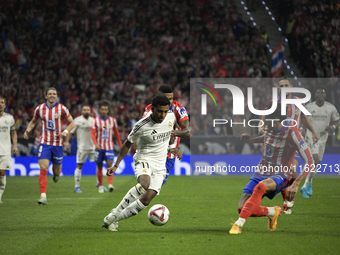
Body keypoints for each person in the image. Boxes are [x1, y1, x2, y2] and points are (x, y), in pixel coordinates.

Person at [229, 104, 314, 234]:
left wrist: (296, 184)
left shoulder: (292, 132)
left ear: (275, 119)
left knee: (261, 187)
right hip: (260, 172)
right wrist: (251, 140)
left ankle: (238, 224)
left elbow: (310, 160)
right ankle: (272, 212)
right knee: (243, 208)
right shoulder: (269, 128)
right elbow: (267, 138)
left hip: (281, 175)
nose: (263, 121)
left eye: (265, 118)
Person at [102, 95, 182, 231]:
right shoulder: (141, 125)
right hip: (144, 158)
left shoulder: (171, 117)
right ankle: (116, 211)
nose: (162, 115)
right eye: (159, 111)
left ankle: (113, 220)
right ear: (153, 109)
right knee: (144, 184)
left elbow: (168, 135)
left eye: (165, 111)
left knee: (146, 200)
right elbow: (127, 144)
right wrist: (116, 165)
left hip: (160, 165)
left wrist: (171, 148)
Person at [258, 76, 319, 214]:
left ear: (291, 87)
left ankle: (288, 199)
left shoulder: (299, 102)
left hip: (294, 141)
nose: (284, 88)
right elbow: (264, 116)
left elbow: (303, 118)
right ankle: (287, 199)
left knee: (292, 169)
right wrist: (260, 126)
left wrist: (313, 132)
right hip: (279, 142)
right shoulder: (274, 102)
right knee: (284, 172)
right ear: (278, 88)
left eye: (286, 85)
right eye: (281, 86)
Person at [24, 87, 75, 205]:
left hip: (58, 145)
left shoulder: (62, 108)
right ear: (46, 96)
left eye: (54, 94)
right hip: (45, 143)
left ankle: (56, 175)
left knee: (56, 173)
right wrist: (27, 130)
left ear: (56, 96)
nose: (52, 95)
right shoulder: (40, 109)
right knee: (43, 168)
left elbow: (72, 123)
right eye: (50, 94)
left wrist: (65, 132)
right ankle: (43, 196)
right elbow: (33, 121)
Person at [143, 84, 189, 184]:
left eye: (171, 98)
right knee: (147, 184)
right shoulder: (150, 108)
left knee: (156, 185)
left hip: (169, 154)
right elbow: (143, 126)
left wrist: (173, 133)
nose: (169, 101)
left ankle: (135, 199)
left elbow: (187, 132)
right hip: (153, 152)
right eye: (165, 98)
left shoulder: (178, 108)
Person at [301, 87, 340, 198]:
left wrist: (333, 126)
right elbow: (302, 118)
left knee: (316, 163)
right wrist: (303, 128)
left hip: (323, 137)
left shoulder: (330, 108)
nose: (320, 95)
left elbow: (338, 119)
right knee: (315, 159)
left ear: (325, 95)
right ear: (315, 95)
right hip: (311, 136)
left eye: (322, 93)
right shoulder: (309, 107)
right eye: (318, 93)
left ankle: (306, 184)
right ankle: (307, 184)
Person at [91, 102, 122, 193]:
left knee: (109, 165)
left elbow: (116, 133)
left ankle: (110, 184)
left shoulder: (112, 120)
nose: (104, 111)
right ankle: (100, 186)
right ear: (100, 110)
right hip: (99, 148)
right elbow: (92, 134)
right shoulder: (96, 121)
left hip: (109, 147)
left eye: (105, 109)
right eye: (102, 109)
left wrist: (120, 145)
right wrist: (96, 144)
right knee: (99, 167)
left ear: (108, 111)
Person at [65, 104, 95, 193]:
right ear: (82, 111)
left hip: (93, 147)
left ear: (90, 111)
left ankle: (99, 183)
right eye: (84, 110)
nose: (86, 111)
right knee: (79, 166)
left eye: (88, 110)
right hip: (82, 148)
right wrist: (67, 142)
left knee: (99, 164)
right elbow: (70, 131)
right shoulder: (77, 121)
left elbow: (101, 127)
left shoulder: (93, 121)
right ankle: (77, 186)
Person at [0, 96, 18, 203]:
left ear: (5, 105)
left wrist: (15, 146)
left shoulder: (10, 118)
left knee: (2, 173)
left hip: (5, 150)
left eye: (2, 102)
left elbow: (13, 133)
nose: (0, 104)